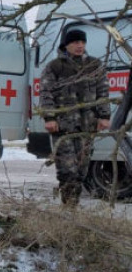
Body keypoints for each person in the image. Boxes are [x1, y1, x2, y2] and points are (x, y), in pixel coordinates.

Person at [40, 29, 110, 207]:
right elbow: (46, 93)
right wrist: (49, 117)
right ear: (66, 45)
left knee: (81, 170)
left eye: (82, 42)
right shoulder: (55, 66)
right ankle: (69, 208)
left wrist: (104, 115)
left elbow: (103, 91)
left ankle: (72, 207)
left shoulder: (94, 65)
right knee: (67, 170)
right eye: (75, 42)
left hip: (87, 126)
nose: (80, 46)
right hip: (63, 127)